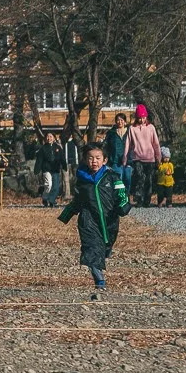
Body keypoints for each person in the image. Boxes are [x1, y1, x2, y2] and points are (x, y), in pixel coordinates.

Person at [58, 142, 129, 298]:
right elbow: (77, 201)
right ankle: (100, 281)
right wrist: (66, 214)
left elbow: (122, 195)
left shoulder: (112, 177)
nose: (94, 161)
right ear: (84, 160)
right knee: (91, 250)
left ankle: (102, 259)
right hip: (88, 221)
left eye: (97, 158)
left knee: (104, 248)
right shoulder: (82, 180)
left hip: (109, 220)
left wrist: (123, 206)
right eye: (90, 158)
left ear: (104, 160)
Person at [127, 105, 163, 208]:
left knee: (149, 179)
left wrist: (158, 157)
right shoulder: (132, 128)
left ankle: (147, 200)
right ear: (136, 117)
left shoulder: (151, 128)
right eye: (139, 117)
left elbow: (156, 143)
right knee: (139, 177)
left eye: (143, 117)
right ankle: (139, 199)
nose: (141, 120)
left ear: (146, 117)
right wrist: (125, 158)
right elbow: (128, 144)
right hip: (137, 157)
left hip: (150, 158)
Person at [34, 131, 66, 208]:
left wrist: (64, 166)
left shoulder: (58, 148)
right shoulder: (43, 148)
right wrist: (37, 169)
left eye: (51, 136)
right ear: (45, 138)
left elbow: (62, 158)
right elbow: (39, 160)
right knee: (48, 185)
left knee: (56, 186)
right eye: (47, 137)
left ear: (54, 138)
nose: (49, 138)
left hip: (55, 169)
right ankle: (45, 198)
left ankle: (51, 200)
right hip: (46, 169)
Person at [102, 113, 133, 193]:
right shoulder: (111, 133)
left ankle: (126, 196)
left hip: (128, 160)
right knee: (118, 181)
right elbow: (106, 146)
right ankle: (119, 197)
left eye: (122, 120)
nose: (120, 122)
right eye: (118, 120)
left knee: (127, 179)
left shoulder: (130, 132)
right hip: (115, 161)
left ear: (125, 122)